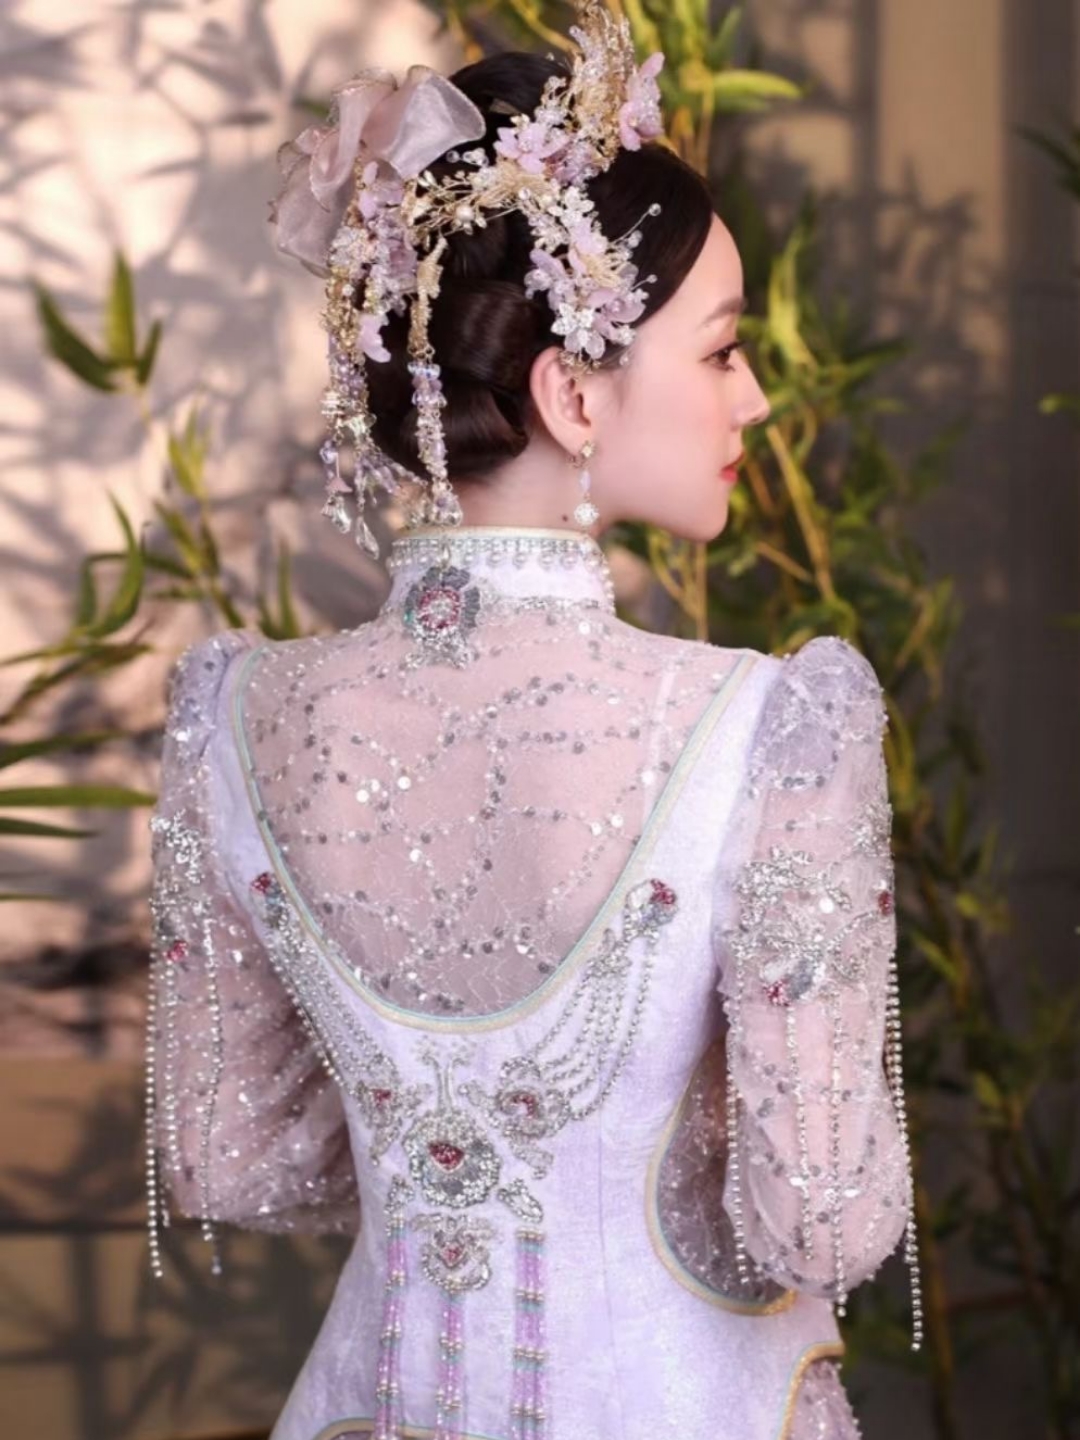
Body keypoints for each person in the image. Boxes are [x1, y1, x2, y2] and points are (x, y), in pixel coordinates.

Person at [143, 6, 922, 1438]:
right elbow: (821, 1216)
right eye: (721, 352)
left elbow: (232, 1159)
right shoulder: (766, 729)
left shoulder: (234, 717)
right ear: (569, 392)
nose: (756, 396)